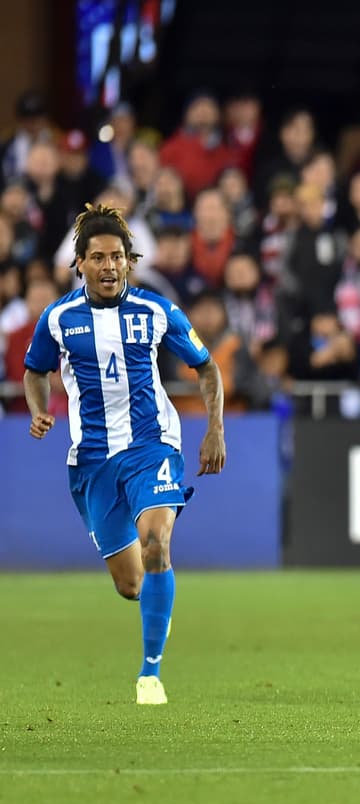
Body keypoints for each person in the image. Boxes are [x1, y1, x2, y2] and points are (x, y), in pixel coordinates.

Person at [22, 204, 227, 706]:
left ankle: (150, 674)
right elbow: (34, 371)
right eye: (98, 258)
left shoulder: (158, 312)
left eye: (118, 256)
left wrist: (214, 429)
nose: (109, 266)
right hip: (91, 461)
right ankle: (145, 588)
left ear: (130, 261)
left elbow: (206, 368)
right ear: (79, 264)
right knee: (131, 585)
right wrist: (39, 409)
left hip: (151, 444)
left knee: (156, 542)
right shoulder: (58, 319)